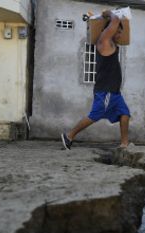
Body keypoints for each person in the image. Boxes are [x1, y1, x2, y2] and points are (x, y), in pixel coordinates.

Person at [61, 10, 131, 150]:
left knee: (125, 114)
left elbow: (116, 24)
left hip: (114, 92)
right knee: (95, 115)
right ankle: (69, 136)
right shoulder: (104, 41)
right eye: (118, 31)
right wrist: (109, 14)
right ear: (109, 30)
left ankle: (124, 144)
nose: (119, 34)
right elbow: (116, 19)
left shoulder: (110, 43)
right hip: (106, 91)